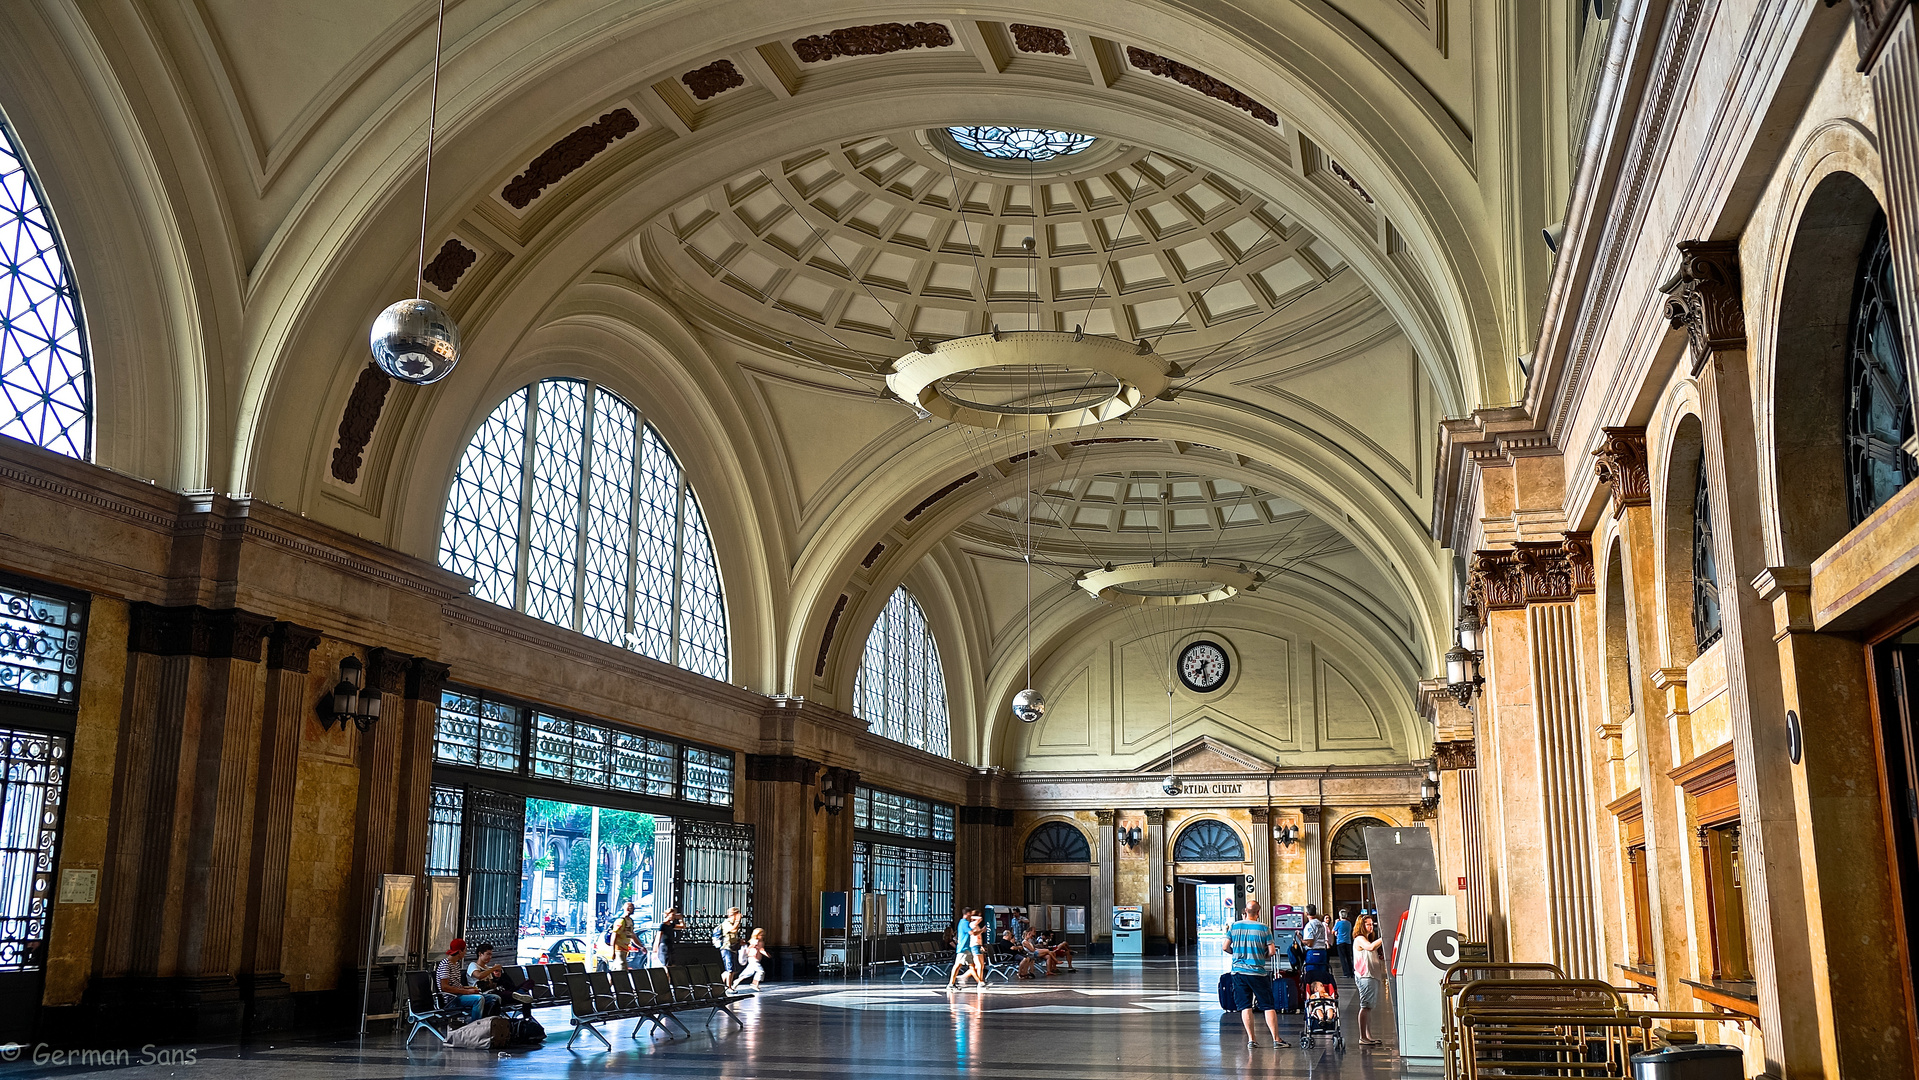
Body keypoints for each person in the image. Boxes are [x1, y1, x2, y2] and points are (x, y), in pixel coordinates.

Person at [1223, 900, 1290, 1049]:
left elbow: (1225, 947)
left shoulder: (1234, 926)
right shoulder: (1264, 928)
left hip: (1238, 972)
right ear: (1258, 913)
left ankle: (1251, 1040)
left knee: (1245, 1005)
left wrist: (1237, 955)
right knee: (1268, 1005)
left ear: (1245, 911)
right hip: (1258, 972)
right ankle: (1276, 1039)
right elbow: (1272, 951)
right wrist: (1260, 957)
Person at [436, 938, 501, 1022]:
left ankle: (489, 1023)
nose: (465, 953)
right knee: (478, 999)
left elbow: (457, 985)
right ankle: (475, 1026)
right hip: (452, 999)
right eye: (465, 950)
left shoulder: (455, 964)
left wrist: (470, 989)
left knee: (495, 998)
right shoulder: (445, 964)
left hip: (460, 995)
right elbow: (445, 987)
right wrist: (467, 992)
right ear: (459, 951)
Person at [1352, 913, 1384, 1047]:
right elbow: (1370, 948)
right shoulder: (1360, 938)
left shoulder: (1366, 939)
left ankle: (1368, 1036)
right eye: (1368, 924)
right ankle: (1362, 1036)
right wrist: (1385, 938)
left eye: (1372, 924)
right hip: (1365, 976)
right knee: (1365, 1006)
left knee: (1368, 1007)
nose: (1371, 927)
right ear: (1361, 925)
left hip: (1371, 975)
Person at [947, 907, 982, 989]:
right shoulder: (965, 923)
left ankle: (980, 982)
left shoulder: (962, 922)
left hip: (966, 948)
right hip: (963, 948)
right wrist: (982, 931)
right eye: (970, 915)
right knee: (957, 966)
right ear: (968, 914)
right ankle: (951, 984)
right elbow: (972, 933)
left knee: (972, 966)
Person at [717, 907, 746, 988]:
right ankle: (728, 987)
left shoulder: (734, 923)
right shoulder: (727, 923)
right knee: (730, 969)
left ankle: (719, 985)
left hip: (733, 948)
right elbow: (733, 930)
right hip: (726, 948)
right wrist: (737, 920)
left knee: (732, 970)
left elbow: (733, 935)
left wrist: (739, 941)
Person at [610, 900, 639, 970]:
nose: (633, 910)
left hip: (625, 949)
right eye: (631, 908)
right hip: (619, 949)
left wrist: (640, 946)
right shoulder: (621, 921)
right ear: (627, 909)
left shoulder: (629, 921)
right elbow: (614, 935)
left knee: (621, 968)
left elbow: (630, 935)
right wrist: (613, 951)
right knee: (621, 969)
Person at [1333, 908, 1354, 978]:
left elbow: (1333, 931)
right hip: (1348, 942)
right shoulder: (1349, 923)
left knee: (1343, 958)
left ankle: (1346, 973)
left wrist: (1336, 923)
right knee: (1348, 957)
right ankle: (1351, 972)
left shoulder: (1339, 923)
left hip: (1340, 942)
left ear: (1340, 916)